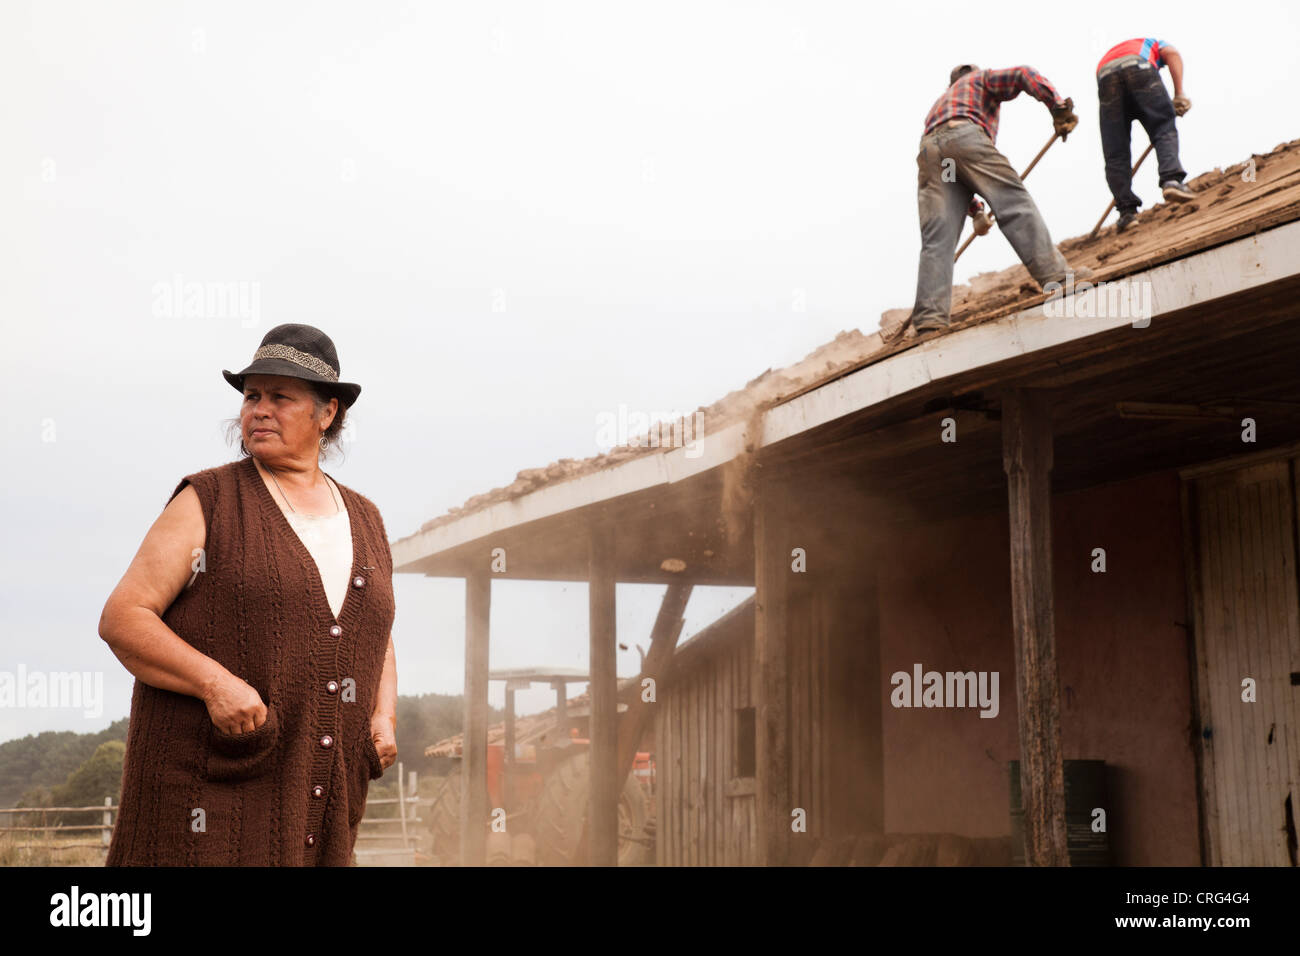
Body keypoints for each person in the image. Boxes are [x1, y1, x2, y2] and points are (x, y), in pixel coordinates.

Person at [100, 323, 398, 866]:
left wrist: (384, 716)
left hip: (321, 795)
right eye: (251, 396)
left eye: (280, 397)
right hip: (210, 793)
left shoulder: (366, 518)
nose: (259, 409)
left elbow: (372, 627)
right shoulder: (208, 500)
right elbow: (124, 617)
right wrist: (215, 684)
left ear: (327, 413)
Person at [904, 64, 1088, 336]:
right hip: (963, 136)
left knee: (938, 240)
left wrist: (976, 211)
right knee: (1012, 203)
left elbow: (953, 171)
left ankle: (930, 320)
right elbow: (1023, 74)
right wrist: (1058, 107)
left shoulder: (940, 103)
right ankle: (1058, 278)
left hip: (931, 150)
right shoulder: (981, 78)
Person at [1096, 38, 1194, 233]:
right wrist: (1179, 94)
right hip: (1139, 67)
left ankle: (1126, 212)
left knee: (1116, 152)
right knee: (1163, 126)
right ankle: (1171, 180)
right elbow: (1172, 54)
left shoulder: (1109, 55)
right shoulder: (1153, 43)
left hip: (1105, 77)